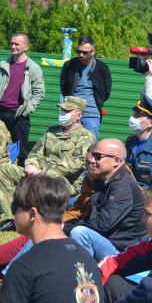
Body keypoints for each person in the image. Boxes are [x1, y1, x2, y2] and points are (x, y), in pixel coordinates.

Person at [0, 175, 104, 303]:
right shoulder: (85, 256)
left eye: (15, 207)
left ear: (32, 213)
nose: (13, 214)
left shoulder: (25, 266)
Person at [0, 96, 95, 228]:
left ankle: (32, 216)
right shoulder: (52, 131)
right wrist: (31, 165)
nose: (62, 114)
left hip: (64, 182)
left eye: (67, 111)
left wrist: (41, 171)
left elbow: (72, 166)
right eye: (62, 110)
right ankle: (9, 217)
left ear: (78, 115)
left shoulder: (86, 137)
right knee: (4, 169)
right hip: (37, 173)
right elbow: (35, 153)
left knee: (52, 177)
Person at [67, 138, 148, 260]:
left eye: (98, 157)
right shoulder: (108, 181)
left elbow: (101, 225)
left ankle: (85, 277)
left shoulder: (122, 187)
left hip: (123, 251)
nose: (93, 161)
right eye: (93, 156)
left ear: (116, 161)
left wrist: (65, 228)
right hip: (109, 241)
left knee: (80, 233)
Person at [0, 32, 45, 163]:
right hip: (1, 113)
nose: (13, 46)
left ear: (26, 47)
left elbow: (39, 93)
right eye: (11, 43)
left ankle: (23, 181)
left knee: (22, 152)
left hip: (19, 115)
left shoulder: (33, 68)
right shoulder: (3, 65)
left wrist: (26, 110)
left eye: (16, 44)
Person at [59, 35, 112, 140]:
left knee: (90, 148)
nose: (81, 55)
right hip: (71, 112)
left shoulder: (102, 68)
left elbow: (105, 93)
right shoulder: (69, 66)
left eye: (85, 53)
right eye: (79, 52)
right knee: (68, 147)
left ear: (93, 52)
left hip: (91, 114)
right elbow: (64, 88)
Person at [125, 95, 152, 185]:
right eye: (134, 114)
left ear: (151, 123)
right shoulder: (130, 142)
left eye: (138, 116)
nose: (133, 118)